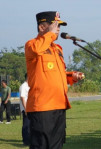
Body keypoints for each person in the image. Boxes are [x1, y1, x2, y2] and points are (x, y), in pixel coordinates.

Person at [25, 11, 84, 149]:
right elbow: (37, 50)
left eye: (59, 26)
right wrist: (49, 35)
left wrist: (71, 76)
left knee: (56, 146)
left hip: (59, 105)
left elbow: (56, 73)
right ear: (42, 27)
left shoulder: (57, 49)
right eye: (55, 25)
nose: (58, 29)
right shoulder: (31, 45)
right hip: (42, 107)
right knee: (42, 146)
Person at [19, 73, 30, 146]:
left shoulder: (28, 86)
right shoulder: (23, 86)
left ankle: (29, 139)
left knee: (30, 125)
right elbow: (23, 98)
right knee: (26, 125)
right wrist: (26, 109)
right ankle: (26, 141)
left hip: (30, 108)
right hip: (26, 109)